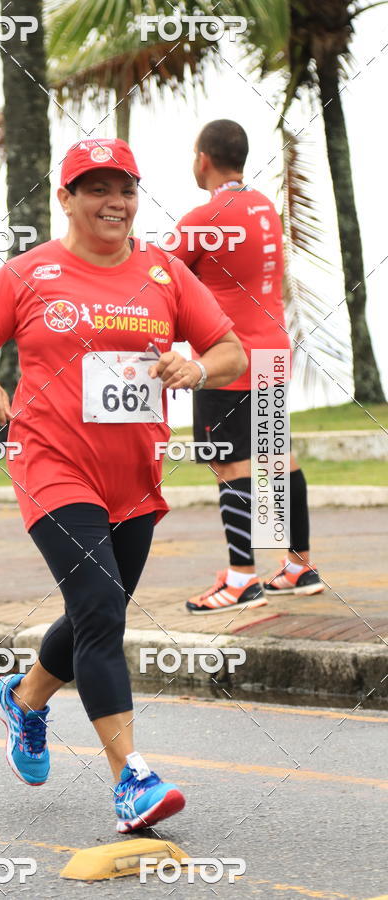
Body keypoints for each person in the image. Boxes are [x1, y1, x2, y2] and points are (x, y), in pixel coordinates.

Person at [0, 137, 246, 832]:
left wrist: (197, 370)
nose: (117, 202)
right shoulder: (25, 276)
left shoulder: (166, 275)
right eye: (98, 188)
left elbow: (228, 349)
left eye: (127, 189)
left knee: (95, 614)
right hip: (51, 465)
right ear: (67, 198)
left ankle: (24, 699)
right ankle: (132, 782)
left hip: (135, 478)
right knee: (103, 611)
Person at [173, 119, 325, 614]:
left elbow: (160, 276)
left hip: (226, 358)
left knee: (227, 459)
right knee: (278, 455)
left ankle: (241, 578)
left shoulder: (202, 218)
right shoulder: (264, 209)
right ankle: (299, 565)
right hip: (272, 350)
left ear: (203, 159)